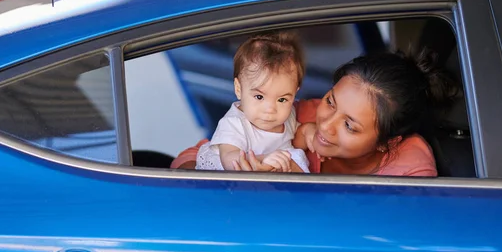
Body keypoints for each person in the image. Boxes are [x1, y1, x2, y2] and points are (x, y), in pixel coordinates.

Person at [172, 49, 457, 177]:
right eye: (331, 101)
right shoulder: (299, 113)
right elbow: (192, 157)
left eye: (350, 126)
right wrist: (238, 168)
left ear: (386, 142)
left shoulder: (409, 169)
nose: (325, 126)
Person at [195, 31, 310, 172]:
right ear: (238, 89)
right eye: (259, 97)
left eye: (282, 99)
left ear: (295, 93)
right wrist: (262, 159)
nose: (270, 109)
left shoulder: (288, 115)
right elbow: (229, 158)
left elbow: (297, 133)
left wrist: (308, 131)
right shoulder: (233, 123)